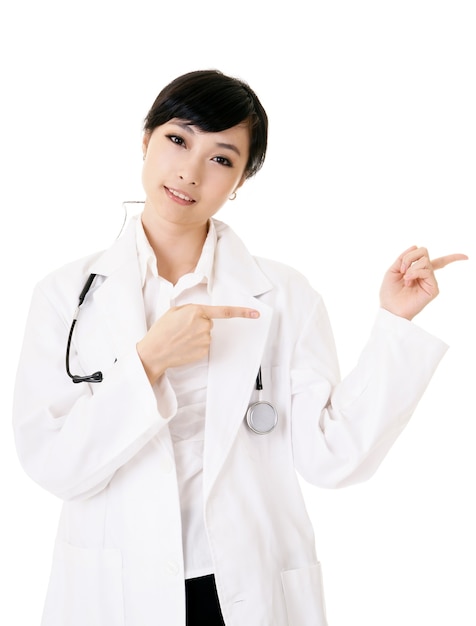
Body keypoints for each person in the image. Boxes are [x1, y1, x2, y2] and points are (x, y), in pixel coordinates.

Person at [12, 69, 467, 626]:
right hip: (117, 589)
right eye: (178, 139)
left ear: (241, 181)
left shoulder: (283, 295)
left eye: (221, 158)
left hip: (241, 587)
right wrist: (148, 360)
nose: (190, 171)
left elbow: (333, 457)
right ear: (146, 140)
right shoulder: (65, 296)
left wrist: (395, 322)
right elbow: (52, 464)